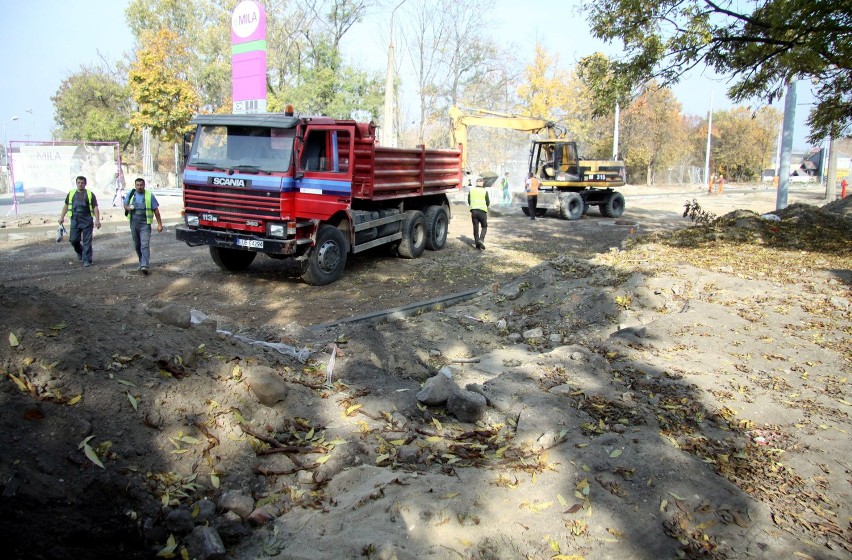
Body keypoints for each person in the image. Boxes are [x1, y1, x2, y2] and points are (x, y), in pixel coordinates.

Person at [124, 177, 164, 275]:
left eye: (141, 185)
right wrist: (128, 208)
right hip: (134, 223)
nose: (139, 187)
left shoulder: (149, 196)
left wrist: (159, 224)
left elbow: (156, 211)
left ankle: (145, 265)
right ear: (135, 185)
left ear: (144, 185)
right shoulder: (131, 194)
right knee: (137, 245)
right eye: (137, 185)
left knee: (144, 244)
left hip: (145, 224)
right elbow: (125, 204)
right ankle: (141, 261)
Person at [58, 176, 101, 267]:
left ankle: (87, 260)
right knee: (73, 240)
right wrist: (62, 217)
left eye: (82, 183)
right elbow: (66, 205)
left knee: (87, 241)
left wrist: (97, 220)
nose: (80, 184)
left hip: (87, 220)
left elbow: (95, 207)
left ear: (85, 184)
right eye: (79, 182)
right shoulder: (71, 193)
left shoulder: (90, 194)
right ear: (76, 183)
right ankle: (79, 251)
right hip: (75, 220)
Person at [468, 177, 490, 250]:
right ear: (482, 183)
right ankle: (481, 240)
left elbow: (469, 201)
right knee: (484, 226)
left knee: (475, 228)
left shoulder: (471, 191)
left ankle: (477, 244)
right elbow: (487, 202)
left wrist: (473, 207)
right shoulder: (484, 191)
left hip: (474, 211)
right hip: (482, 211)